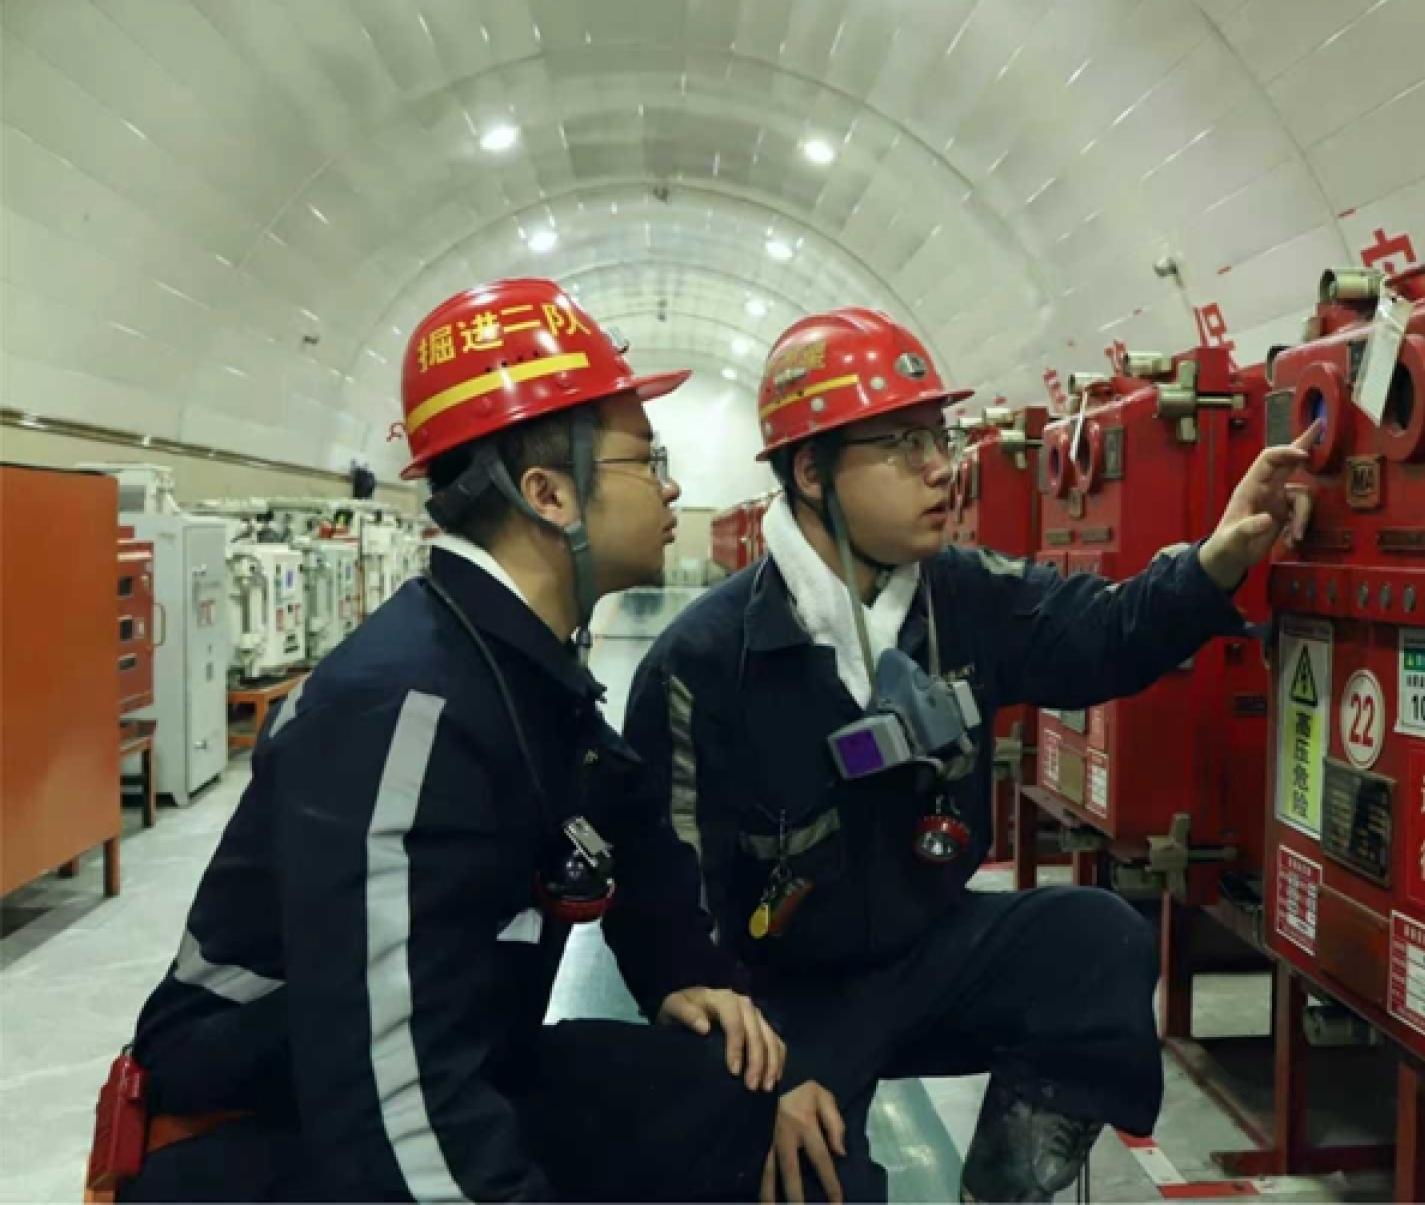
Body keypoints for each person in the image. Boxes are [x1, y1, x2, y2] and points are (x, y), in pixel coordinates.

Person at [97, 279, 782, 1203]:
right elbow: (388, 1107)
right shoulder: (402, 709)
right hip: (263, 1134)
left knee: (723, 1083)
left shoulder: (519, 667)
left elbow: (615, 820)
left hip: (433, 1057)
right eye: (645, 458)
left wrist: (682, 974)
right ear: (550, 495)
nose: (671, 486)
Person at [624, 307, 1320, 1203]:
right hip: (781, 996)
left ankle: (1000, 1189)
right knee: (810, 1175)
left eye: (939, 438)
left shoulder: (963, 597)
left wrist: (1221, 556)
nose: (940, 468)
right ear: (811, 471)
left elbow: (1104, 634)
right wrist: (764, 1073)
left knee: (1098, 938)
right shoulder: (705, 663)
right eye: (903, 445)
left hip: (925, 954)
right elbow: (666, 911)